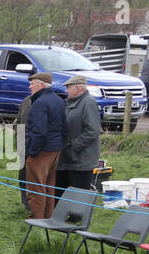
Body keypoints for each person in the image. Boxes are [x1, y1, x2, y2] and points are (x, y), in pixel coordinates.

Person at [24, 71, 66, 218]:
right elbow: (63, 126)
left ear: (41, 85)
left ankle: (36, 218)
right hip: (56, 149)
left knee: (36, 186)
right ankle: (48, 216)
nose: (30, 87)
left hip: (42, 150)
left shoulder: (40, 103)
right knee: (49, 185)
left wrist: (33, 151)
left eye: (32, 84)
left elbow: (39, 131)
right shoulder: (58, 100)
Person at [60, 75, 101, 197]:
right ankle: (66, 215)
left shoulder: (88, 103)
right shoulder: (71, 103)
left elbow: (93, 130)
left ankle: (76, 216)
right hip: (70, 158)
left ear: (78, 87)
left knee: (78, 193)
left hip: (82, 159)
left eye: (68, 87)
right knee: (67, 192)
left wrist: (73, 146)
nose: (66, 91)